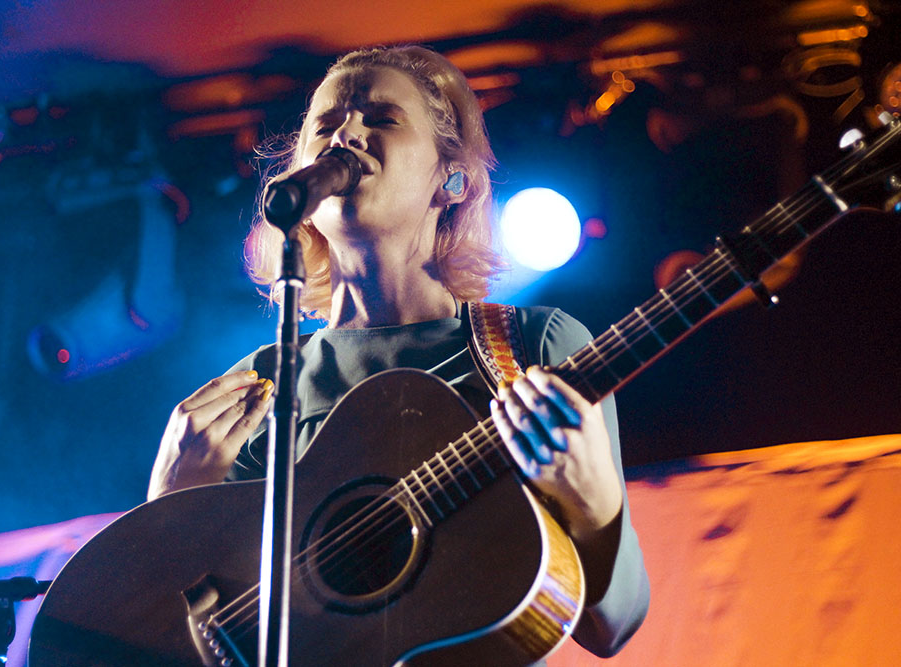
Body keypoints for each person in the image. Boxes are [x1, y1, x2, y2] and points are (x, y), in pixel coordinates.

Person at [148, 45, 649, 661]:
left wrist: (594, 505)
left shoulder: (530, 347)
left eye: (381, 119)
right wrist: (167, 510)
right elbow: (181, 642)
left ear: (451, 178)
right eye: (326, 126)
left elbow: (611, 628)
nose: (346, 135)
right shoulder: (258, 385)